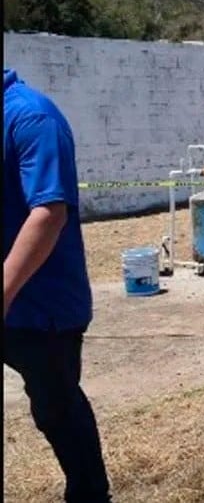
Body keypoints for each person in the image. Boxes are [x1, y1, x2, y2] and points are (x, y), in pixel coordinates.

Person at [4, 68, 112, 503]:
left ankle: (90, 494)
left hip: (42, 305)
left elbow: (49, 213)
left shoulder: (32, 118)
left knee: (56, 408)